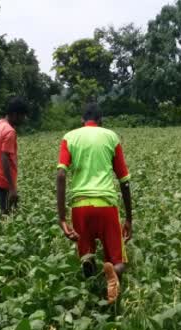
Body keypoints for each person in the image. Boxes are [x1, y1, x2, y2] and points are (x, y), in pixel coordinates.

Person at [55, 103, 133, 304]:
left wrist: (62, 218)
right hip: (106, 204)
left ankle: (92, 300)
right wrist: (129, 219)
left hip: (81, 206)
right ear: (102, 122)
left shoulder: (69, 137)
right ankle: (113, 285)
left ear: (82, 121)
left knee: (86, 258)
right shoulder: (111, 137)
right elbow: (124, 180)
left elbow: (61, 174)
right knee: (118, 261)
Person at [0, 97, 29, 215]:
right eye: (23, 116)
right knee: (7, 215)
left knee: (4, 211)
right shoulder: (10, 131)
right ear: (15, 115)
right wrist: (12, 187)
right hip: (4, 179)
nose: (24, 119)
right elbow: (4, 158)